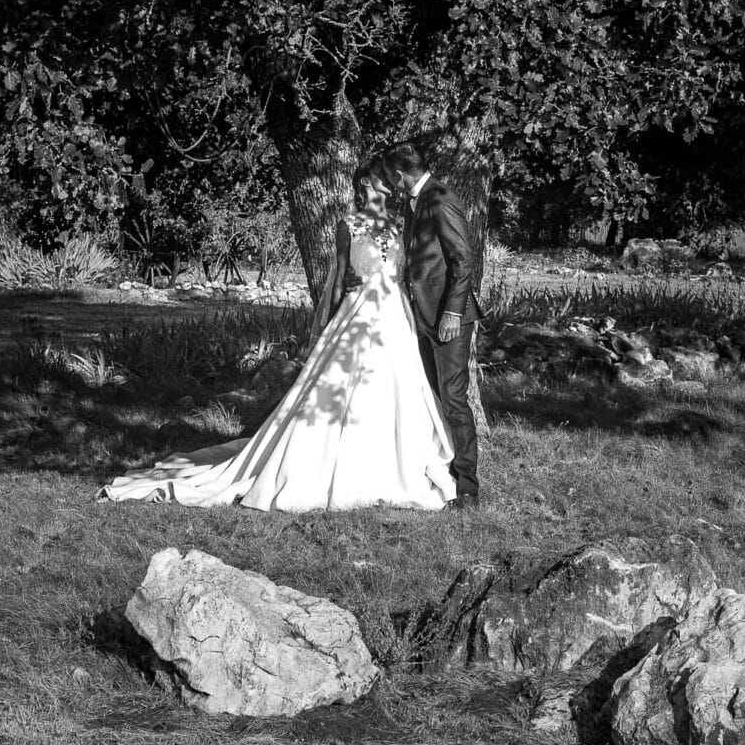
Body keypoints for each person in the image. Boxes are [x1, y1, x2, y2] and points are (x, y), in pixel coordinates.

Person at [97, 168, 456, 511]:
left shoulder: (398, 223)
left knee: (395, 388)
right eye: (383, 176)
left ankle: (395, 463)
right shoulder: (348, 225)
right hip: (356, 315)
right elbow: (340, 276)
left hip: (395, 317)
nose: (391, 181)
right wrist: (327, 327)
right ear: (365, 181)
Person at [377, 143, 482, 506]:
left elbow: (463, 260)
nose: (391, 183)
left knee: (453, 398)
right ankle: (443, 472)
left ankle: (468, 487)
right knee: (433, 397)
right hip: (423, 315)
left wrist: (452, 313)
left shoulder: (439, 199)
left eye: (391, 177)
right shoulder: (415, 201)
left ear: (399, 174)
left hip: (448, 317)